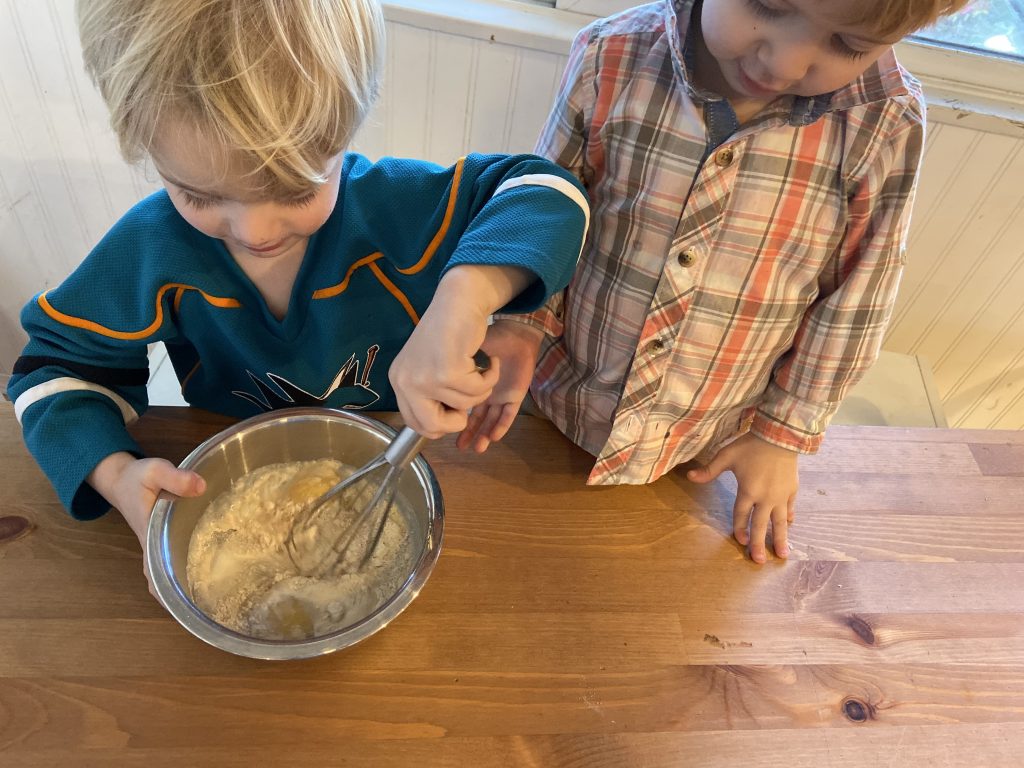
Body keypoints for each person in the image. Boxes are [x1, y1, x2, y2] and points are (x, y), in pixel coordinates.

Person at [7, 0, 589, 575]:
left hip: (398, 450)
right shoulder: (148, 252)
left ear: (344, 132)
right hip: (228, 462)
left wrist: (468, 298)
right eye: (199, 195)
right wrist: (115, 472)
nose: (254, 231)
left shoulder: (396, 213)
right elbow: (48, 374)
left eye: (293, 190)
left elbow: (546, 192)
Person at [458, 0, 968, 564]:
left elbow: (858, 296)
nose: (786, 64)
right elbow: (546, 203)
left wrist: (782, 434)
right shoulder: (609, 54)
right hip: (552, 399)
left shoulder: (885, 122)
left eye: (847, 45)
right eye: (768, 7)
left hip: (710, 445)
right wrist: (522, 322)